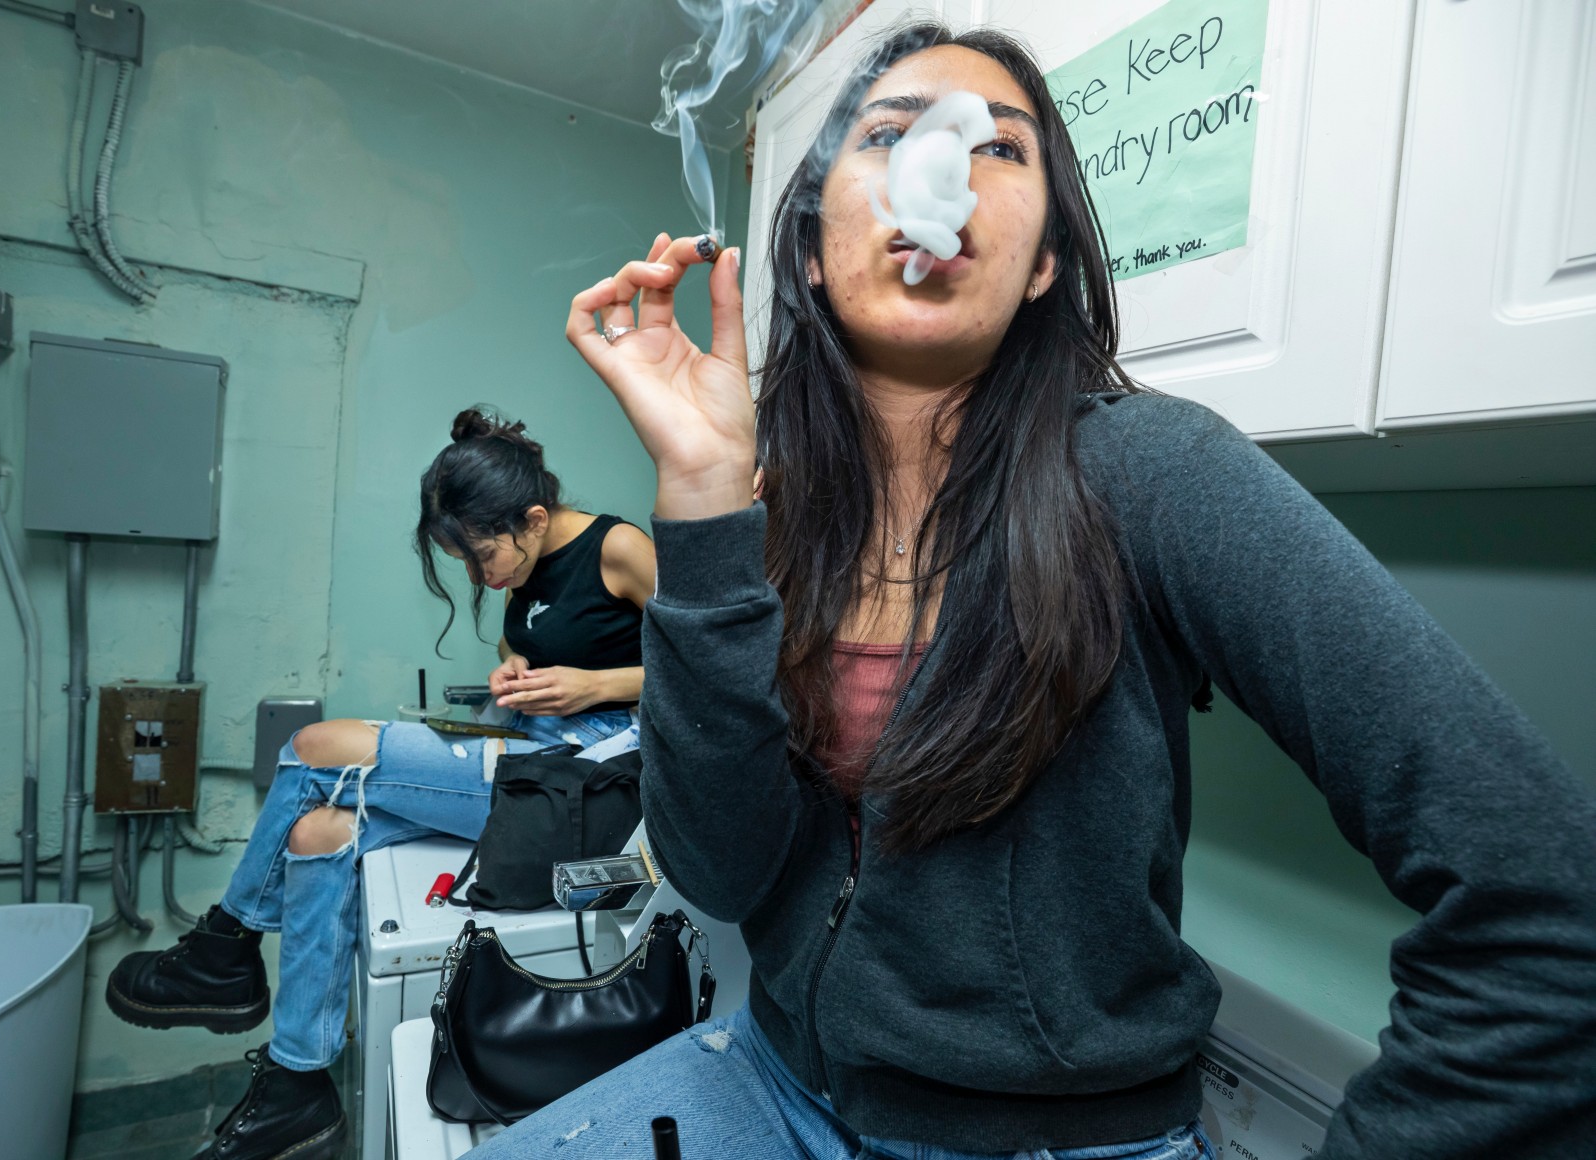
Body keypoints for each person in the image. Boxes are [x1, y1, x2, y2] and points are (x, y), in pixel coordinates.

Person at [474, 22, 1596, 1160]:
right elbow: (719, 873)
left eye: (998, 150)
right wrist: (707, 499)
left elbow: (1553, 913)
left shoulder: (1159, 472)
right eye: (888, 135)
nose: (942, 172)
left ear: (1046, 258)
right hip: (769, 1078)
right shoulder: (776, 511)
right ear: (811, 248)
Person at [105, 408, 656, 1160]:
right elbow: (519, 636)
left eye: (482, 555)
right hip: (532, 747)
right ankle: (300, 1081)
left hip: (587, 777)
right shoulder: (521, 562)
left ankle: (226, 948)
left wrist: (595, 687)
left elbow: (713, 662)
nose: (477, 575)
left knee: (314, 747)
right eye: (462, 561)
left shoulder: (620, 548)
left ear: (532, 518)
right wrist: (510, 667)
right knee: (316, 832)